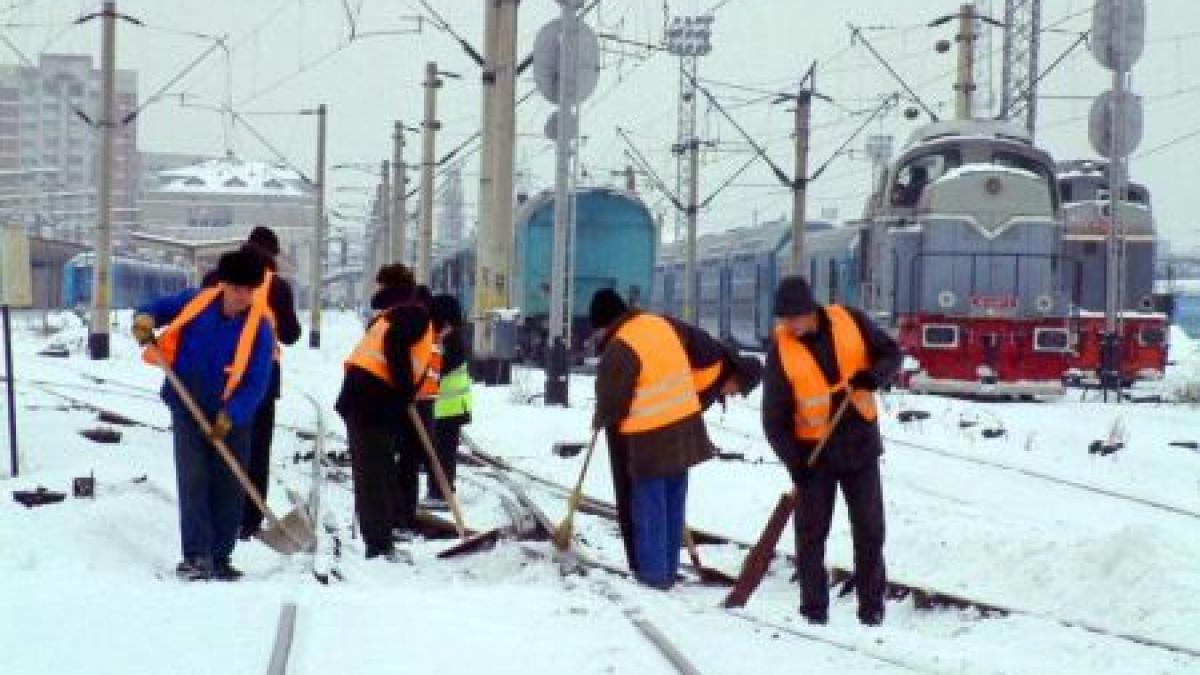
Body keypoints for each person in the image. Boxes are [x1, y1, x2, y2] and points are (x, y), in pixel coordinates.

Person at [761, 275, 900, 626]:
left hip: (860, 445)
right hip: (814, 456)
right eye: (784, 320)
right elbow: (774, 418)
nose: (789, 326)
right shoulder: (781, 349)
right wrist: (794, 462)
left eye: (794, 318)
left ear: (810, 311)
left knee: (869, 531)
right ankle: (814, 610)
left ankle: (872, 610)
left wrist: (874, 377)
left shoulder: (850, 320)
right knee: (810, 536)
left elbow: (891, 353)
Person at [597, 290, 764, 574]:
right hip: (683, 433)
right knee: (671, 502)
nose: (735, 396)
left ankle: (654, 576)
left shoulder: (629, 338)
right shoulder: (694, 352)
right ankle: (667, 570)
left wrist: (603, 416)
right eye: (739, 390)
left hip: (649, 433)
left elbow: (615, 393)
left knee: (651, 507)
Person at [133, 249, 275, 582]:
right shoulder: (196, 302)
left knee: (228, 483)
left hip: (231, 413)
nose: (243, 297)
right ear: (225, 284)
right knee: (193, 478)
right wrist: (144, 319)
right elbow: (155, 307)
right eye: (238, 288)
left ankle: (221, 556)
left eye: (249, 290)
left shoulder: (260, 327)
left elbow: (257, 380)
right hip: (186, 403)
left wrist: (232, 414)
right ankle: (197, 555)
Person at [203, 226, 302, 540]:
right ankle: (249, 519)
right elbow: (291, 334)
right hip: (262, 377)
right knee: (257, 450)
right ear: (272, 255)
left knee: (219, 443)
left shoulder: (217, 277)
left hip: (219, 375)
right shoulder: (277, 286)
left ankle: (216, 511)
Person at [336, 264, 434, 560]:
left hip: (365, 398)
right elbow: (394, 348)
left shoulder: (392, 315)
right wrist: (406, 393)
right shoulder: (415, 315)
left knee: (375, 472)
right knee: (375, 474)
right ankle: (378, 545)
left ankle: (379, 538)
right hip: (371, 400)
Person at [426, 294, 472, 509]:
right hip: (448, 407)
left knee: (443, 453)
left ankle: (440, 492)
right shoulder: (450, 337)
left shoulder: (451, 340)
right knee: (443, 451)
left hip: (448, 407)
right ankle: (441, 490)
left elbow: (440, 369)